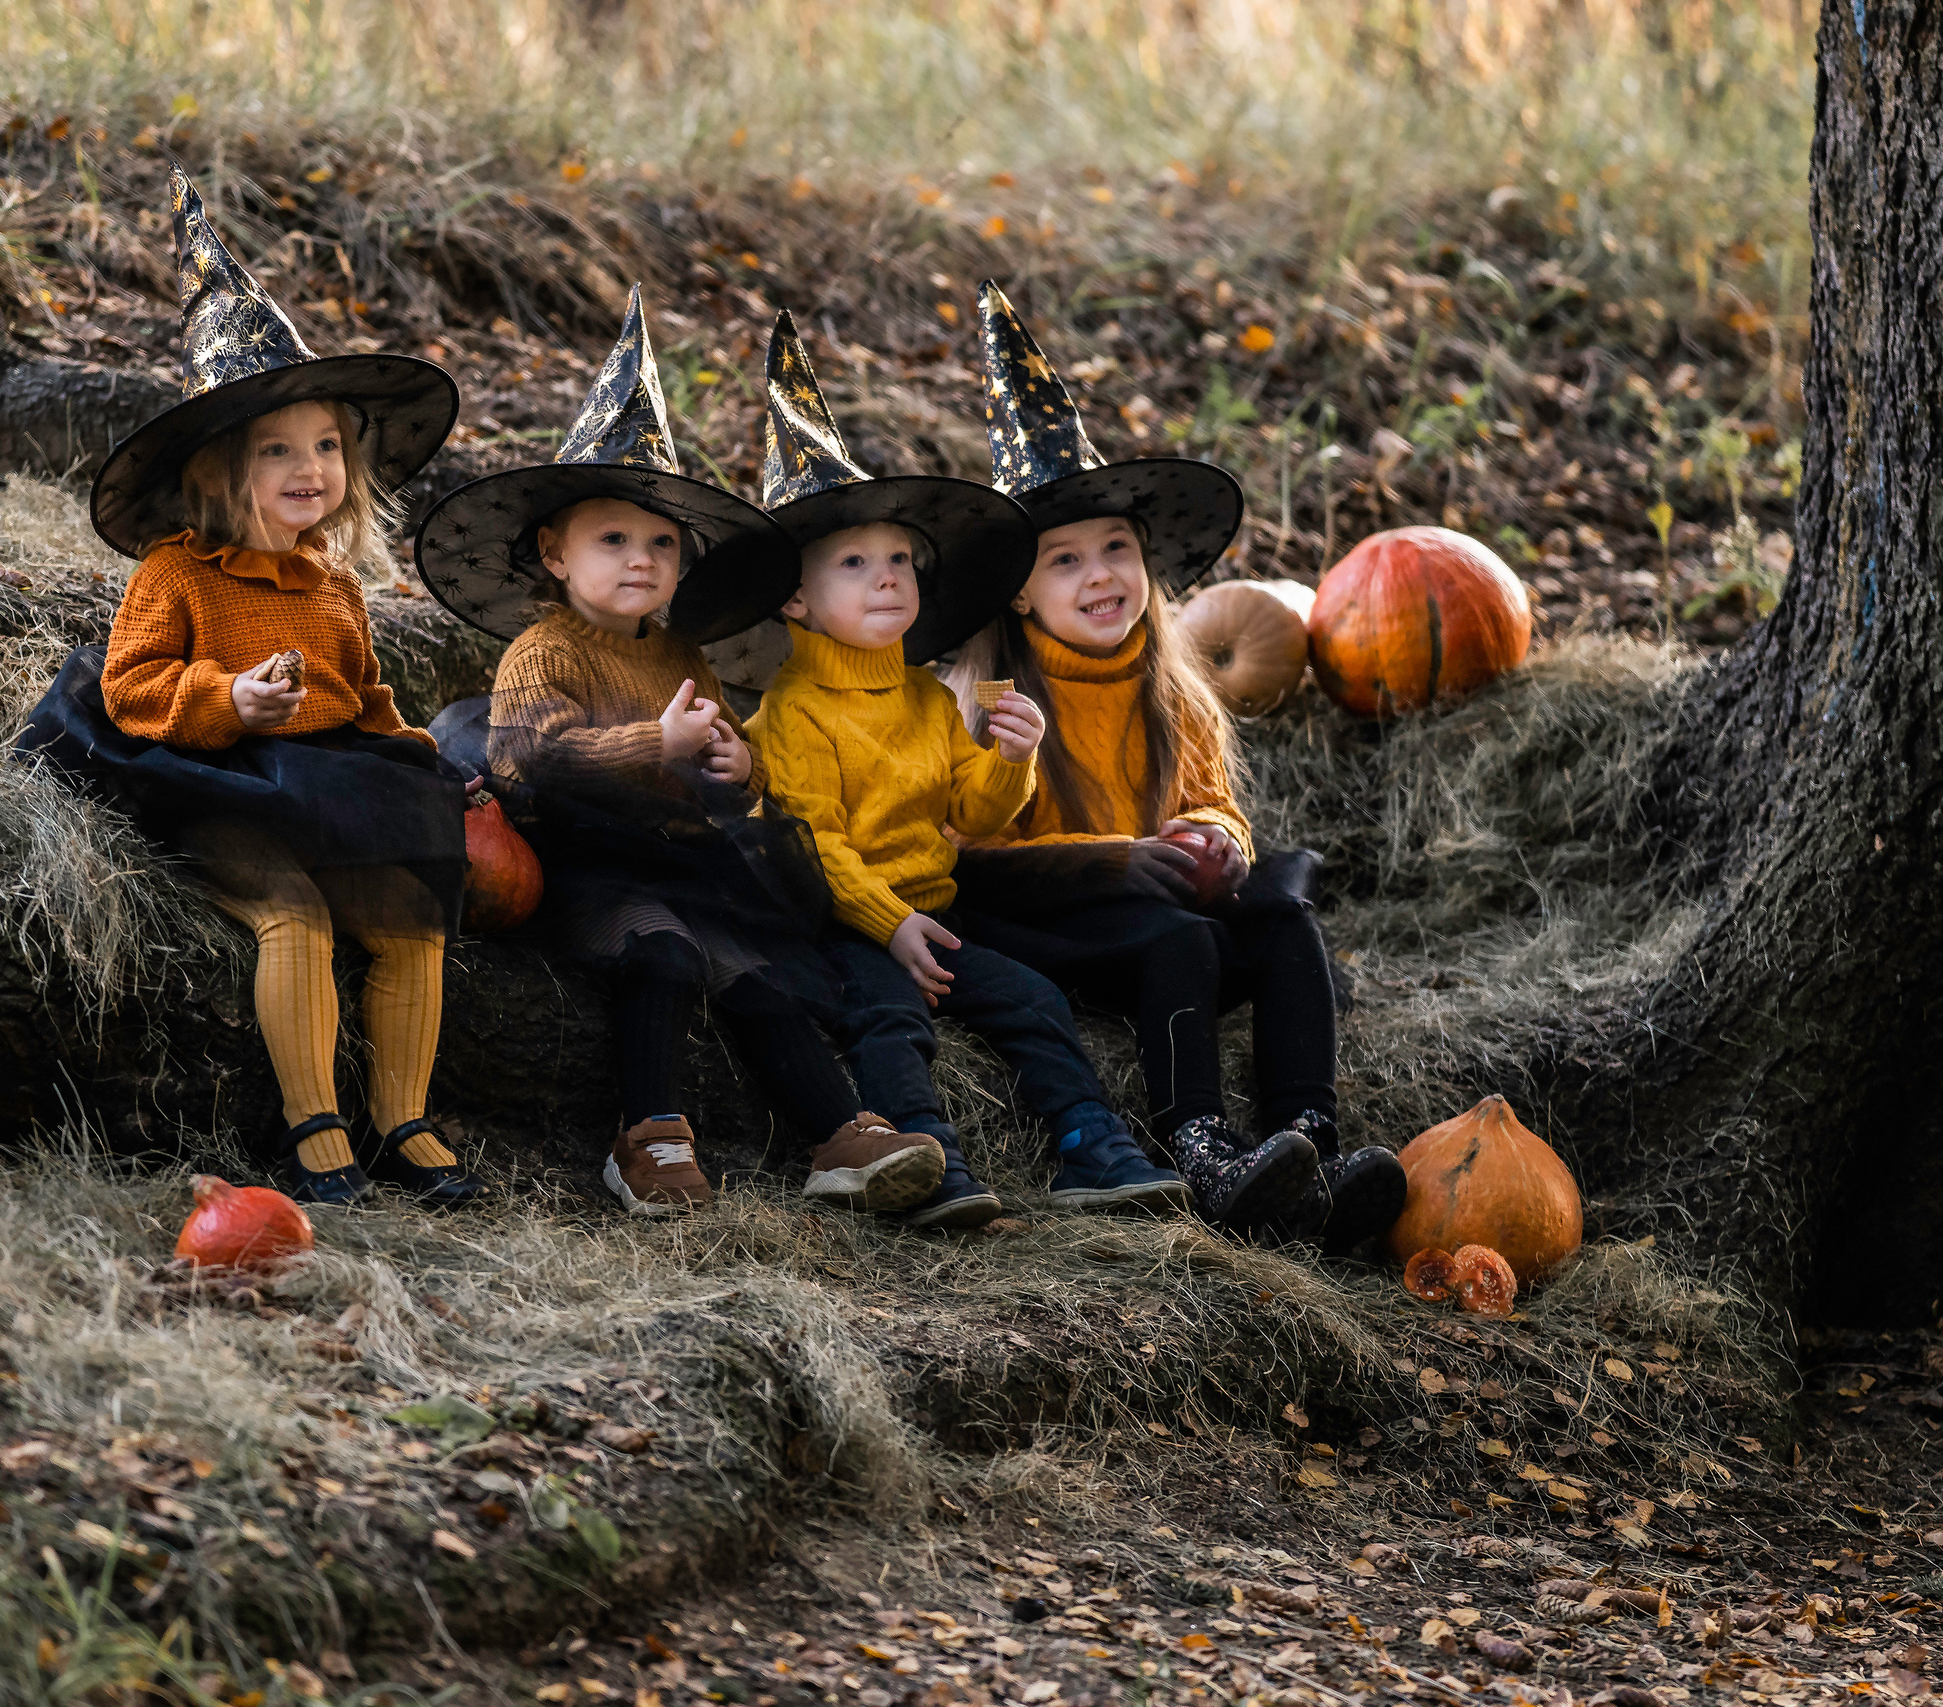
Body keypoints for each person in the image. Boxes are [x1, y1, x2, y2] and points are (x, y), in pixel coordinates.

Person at [415, 289, 946, 1218]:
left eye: (661, 543)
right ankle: (649, 1133)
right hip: (579, 860)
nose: (640, 559)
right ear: (552, 551)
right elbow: (526, 757)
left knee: (758, 977)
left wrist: (737, 768)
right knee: (659, 954)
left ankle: (840, 1136)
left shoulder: (677, 650)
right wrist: (648, 741)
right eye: (612, 539)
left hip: (679, 856)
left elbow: (723, 743)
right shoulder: (542, 651)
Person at [19, 167, 489, 1210]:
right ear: (215, 474)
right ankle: (311, 1122)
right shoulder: (175, 574)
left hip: (315, 787)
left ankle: (402, 1116)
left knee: (410, 922)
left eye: (325, 446)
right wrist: (229, 699)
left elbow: (367, 705)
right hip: (211, 786)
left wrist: (424, 761)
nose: (308, 467)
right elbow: (134, 685)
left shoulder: (331, 588)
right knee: (295, 921)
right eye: (276, 450)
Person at [940, 280, 1401, 1249]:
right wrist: (1111, 858)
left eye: (1115, 549)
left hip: (1156, 900)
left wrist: (1216, 840)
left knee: (1279, 913)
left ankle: (1304, 1137)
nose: (1100, 574)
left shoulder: (1171, 685)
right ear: (1018, 595)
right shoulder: (992, 701)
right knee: (1174, 934)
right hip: (1051, 925)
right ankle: (1197, 1142)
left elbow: (1211, 800)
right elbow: (965, 856)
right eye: (1064, 561)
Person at [743, 310, 1195, 1229]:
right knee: (889, 1020)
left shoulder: (921, 697)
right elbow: (812, 842)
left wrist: (1010, 760)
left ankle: (1085, 1140)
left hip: (933, 912)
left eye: (901, 560)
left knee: (1028, 997)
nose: (888, 579)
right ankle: (920, 1155)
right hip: (846, 922)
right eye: (857, 563)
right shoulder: (792, 710)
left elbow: (974, 814)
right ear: (797, 596)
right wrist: (891, 922)